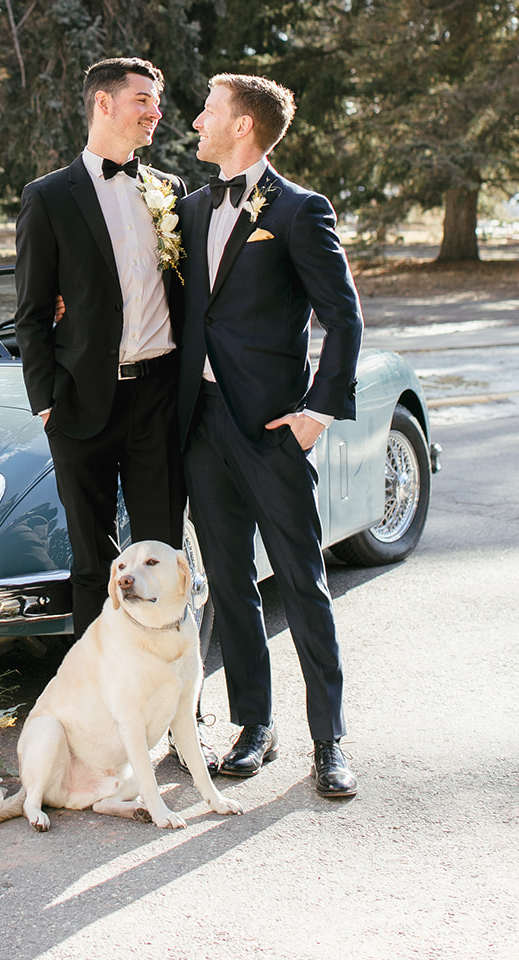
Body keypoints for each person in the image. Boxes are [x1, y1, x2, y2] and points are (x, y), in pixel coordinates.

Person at [175, 73, 363, 798]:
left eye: (209, 111)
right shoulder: (191, 209)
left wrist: (316, 414)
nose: (197, 121)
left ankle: (329, 740)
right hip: (201, 426)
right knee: (229, 583)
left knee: (302, 583)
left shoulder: (298, 210)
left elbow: (341, 317)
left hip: (272, 429)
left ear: (243, 125)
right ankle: (254, 725)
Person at [14, 56, 186, 640]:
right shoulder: (47, 198)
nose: (155, 111)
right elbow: (33, 312)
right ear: (103, 103)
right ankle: (100, 685)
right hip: (80, 403)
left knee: (162, 557)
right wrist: (45, 402)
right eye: (143, 100)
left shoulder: (169, 191)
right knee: (93, 563)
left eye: (156, 101)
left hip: (158, 400)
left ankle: (167, 687)